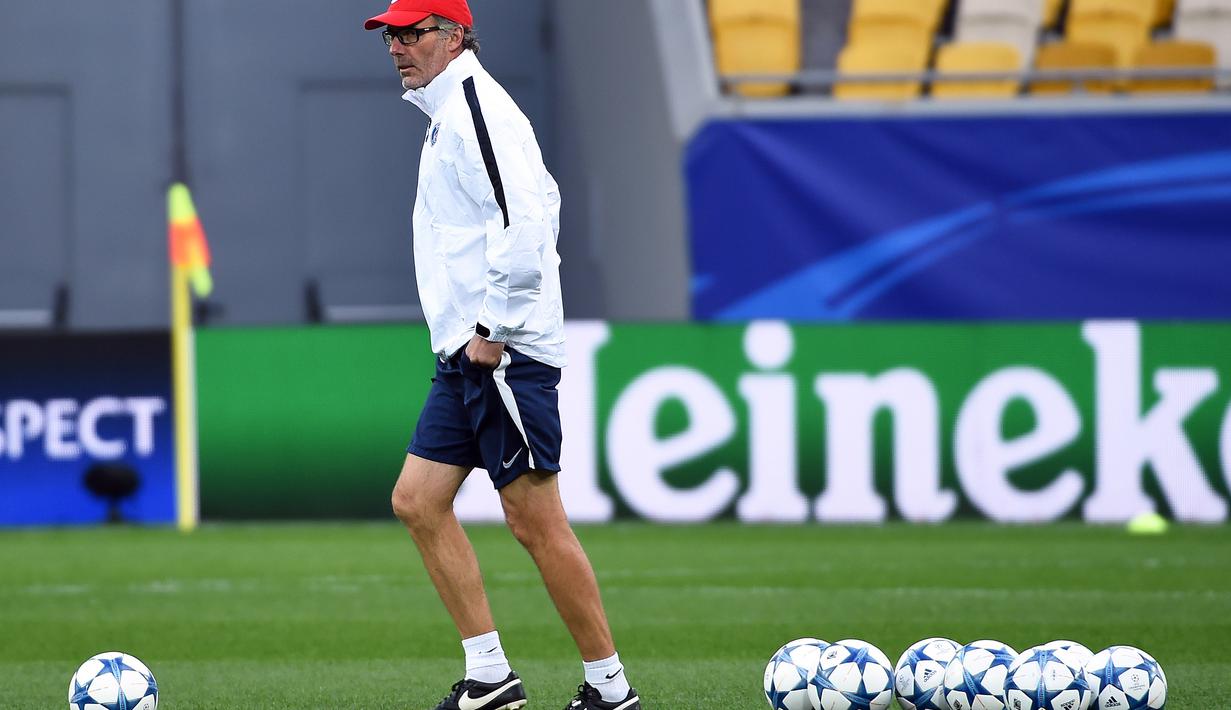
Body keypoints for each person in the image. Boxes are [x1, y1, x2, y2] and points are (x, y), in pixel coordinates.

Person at [363, 2, 642, 709]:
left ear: (454, 37)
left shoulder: (476, 108)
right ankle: (489, 677)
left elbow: (528, 219)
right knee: (417, 502)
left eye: (412, 32)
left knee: (533, 520)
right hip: (466, 352)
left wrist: (495, 327)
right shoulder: (446, 113)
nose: (398, 46)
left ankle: (609, 689)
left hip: (501, 353)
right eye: (391, 34)